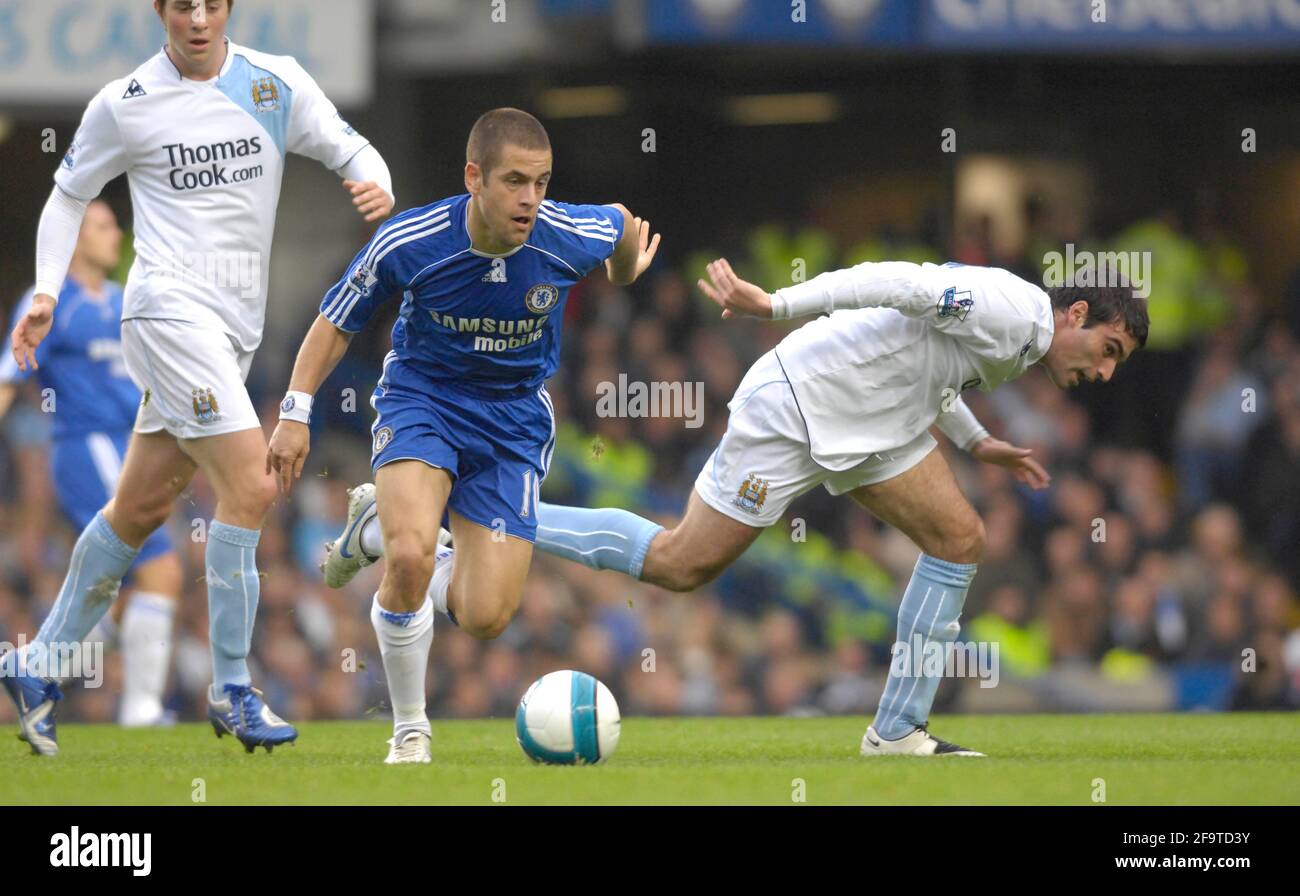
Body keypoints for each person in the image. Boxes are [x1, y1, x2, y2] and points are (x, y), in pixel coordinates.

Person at [531, 259, 1147, 756]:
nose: (1106, 371)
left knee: (960, 538)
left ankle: (898, 731)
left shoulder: (1026, 340)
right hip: (800, 403)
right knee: (681, 563)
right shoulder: (1012, 311)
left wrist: (974, 440)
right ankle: (509, 519)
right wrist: (776, 305)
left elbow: (933, 366)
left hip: (872, 425)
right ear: (1078, 314)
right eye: (1110, 349)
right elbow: (896, 285)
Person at [2, 0, 395, 756]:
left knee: (140, 505)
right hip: (163, 314)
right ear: (160, 9)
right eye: (183, 3)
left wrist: (374, 184)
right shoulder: (126, 103)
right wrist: (47, 289)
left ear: (228, 8)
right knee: (250, 486)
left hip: (231, 333)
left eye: (212, 3)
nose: (198, 17)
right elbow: (68, 194)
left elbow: (355, 151)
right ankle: (233, 688)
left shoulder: (274, 85)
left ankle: (38, 664)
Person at [267, 107, 660, 764]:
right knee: (414, 556)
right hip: (424, 400)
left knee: (485, 615)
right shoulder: (409, 242)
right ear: (474, 178)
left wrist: (624, 270)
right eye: (514, 181)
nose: (530, 198)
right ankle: (410, 729)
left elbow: (620, 222)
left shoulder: (565, 234)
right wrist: (294, 411)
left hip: (512, 424)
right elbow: (334, 322)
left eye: (541, 181)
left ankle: (371, 530)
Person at [0, 200, 182, 728]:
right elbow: (11, 373)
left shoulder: (125, 300)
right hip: (87, 447)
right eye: (103, 226)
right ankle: (142, 711)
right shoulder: (54, 304)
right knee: (162, 570)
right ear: (74, 238)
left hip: (134, 449)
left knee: (117, 591)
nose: (116, 234)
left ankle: (37, 667)